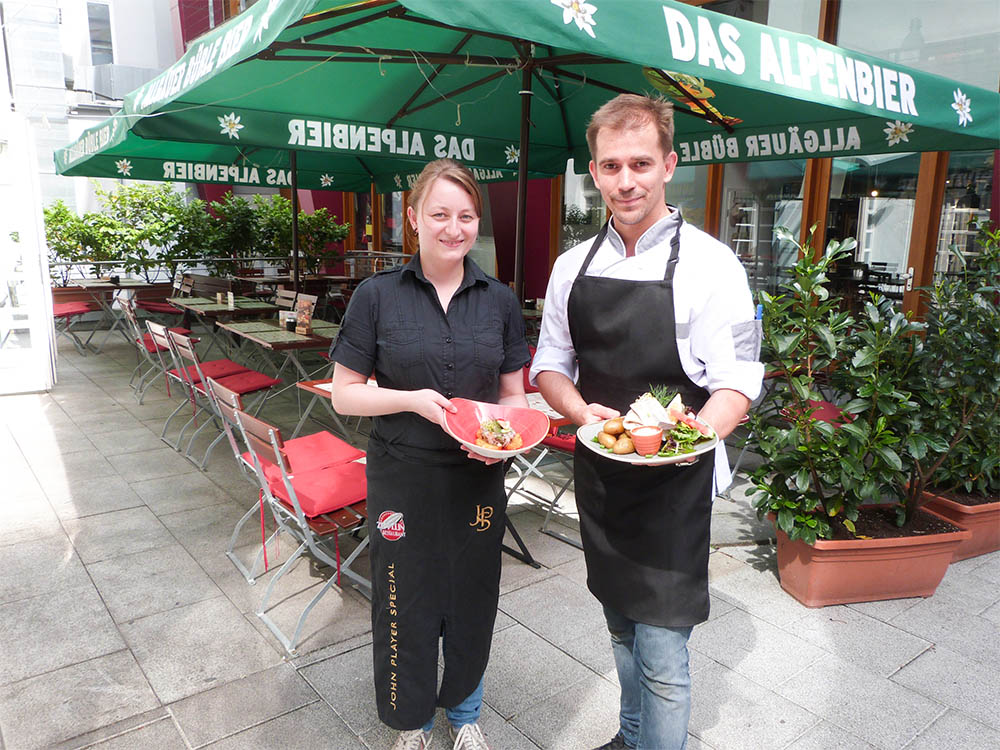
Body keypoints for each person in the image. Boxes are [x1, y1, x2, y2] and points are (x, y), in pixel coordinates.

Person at [531, 94, 763, 750]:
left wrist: (688, 437)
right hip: (601, 478)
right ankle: (631, 740)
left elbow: (738, 379)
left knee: (662, 655)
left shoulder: (715, 265)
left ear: (669, 164)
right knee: (621, 631)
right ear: (594, 171)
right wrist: (580, 412)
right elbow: (549, 366)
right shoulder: (568, 268)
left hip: (674, 486)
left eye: (640, 163)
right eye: (611, 166)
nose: (626, 180)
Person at [329, 158, 530, 750]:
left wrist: (507, 438)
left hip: (477, 480)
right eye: (440, 214)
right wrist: (414, 400)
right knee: (403, 599)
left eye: (466, 216)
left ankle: (466, 714)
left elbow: (514, 396)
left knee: (472, 597)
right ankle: (411, 720)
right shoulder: (377, 296)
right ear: (413, 218)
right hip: (403, 478)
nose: (454, 228)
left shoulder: (498, 300)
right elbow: (345, 395)